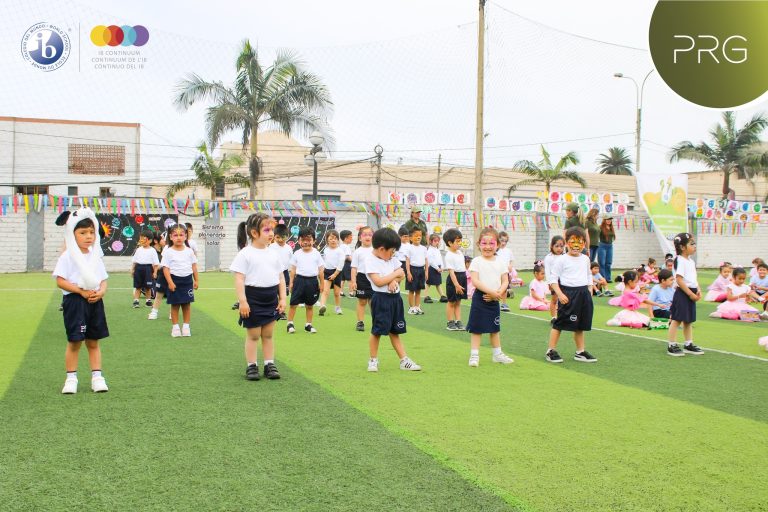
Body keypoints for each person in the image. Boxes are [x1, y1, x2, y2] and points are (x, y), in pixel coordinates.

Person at [53, 208, 110, 394]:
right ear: (72, 234)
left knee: (93, 341)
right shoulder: (68, 256)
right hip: (75, 303)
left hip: (94, 302)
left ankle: (97, 377)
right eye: (83, 233)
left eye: (92, 232)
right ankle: (71, 378)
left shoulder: (95, 256)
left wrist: (101, 292)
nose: (88, 236)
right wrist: (80, 291)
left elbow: (103, 279)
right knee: (75, 342)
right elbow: (60, 280)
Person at [231, 213, 285, 381]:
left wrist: (282, 298)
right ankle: (251, 366)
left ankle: (270, 364)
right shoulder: (245, 254)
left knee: (268, 334)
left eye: (272, 229)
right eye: (267, 229)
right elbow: (239, 279)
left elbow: (281, 277)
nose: (271, 233)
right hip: (252, 298)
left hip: (271, 298)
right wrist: (243, 301)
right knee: (253, 335)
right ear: (254, 233)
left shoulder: (274, 253)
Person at [365, 227, 422, 372]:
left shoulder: (391, 259)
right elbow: (378, 281)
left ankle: (404, 360)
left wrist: (392, 280)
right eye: (391, 252)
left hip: (395, 299)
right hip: (381, 299)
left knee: (395, 331)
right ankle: (373, 360)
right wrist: (394, 275)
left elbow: (401, 273)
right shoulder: (370, 261)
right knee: (377, 331)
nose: (393, 255)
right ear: (382, 249)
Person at [546, 227, 597, 363]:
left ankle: (580, 351)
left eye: (580, 242)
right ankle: (550, 350)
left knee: (580, 324)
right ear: (567, 243)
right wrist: (560, 294)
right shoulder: (561, 260)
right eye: (572, 241)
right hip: (568, 294)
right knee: (559, 323)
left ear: (584, 244)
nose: (576, 245)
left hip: (583, 294)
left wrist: (590, 289)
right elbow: (553, 279)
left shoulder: (585, 259)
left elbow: (588, 275)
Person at [465, 227, 515, 367]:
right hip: (480, 298)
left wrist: (497, 293)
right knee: (476, 329)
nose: (487, 247)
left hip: (495, 298)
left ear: (497, 245)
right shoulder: (476, 261)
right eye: (484, 243)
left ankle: (497, 354)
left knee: (494, 328)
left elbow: (505, 280)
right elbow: (475, 281)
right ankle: (474, 355)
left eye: (491, 243)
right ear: (479, 244)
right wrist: (491, 292)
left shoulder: (500, 262)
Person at [667, 232, 704, 357]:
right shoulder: (680, 260)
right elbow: (679, 279)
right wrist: (689, 294)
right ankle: (671, 344)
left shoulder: (690, 261)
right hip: (683, 293)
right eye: (691, 244)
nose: (695, 246)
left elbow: (693, 278)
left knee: (688, 320)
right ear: (682, 247)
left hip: (690, 292)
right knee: (677, 319)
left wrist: (698, 289)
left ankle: (688, 344)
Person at [162, 223, 199, 337]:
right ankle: (175, 328)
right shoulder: (168, 251)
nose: (178, 237)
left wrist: (196, 280)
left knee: (187, 305)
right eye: (175, 235)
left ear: (186, 236)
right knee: (175, 305)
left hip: (187, 281)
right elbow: (165, 268)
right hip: (174, 280)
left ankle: (186, 326)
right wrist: (170, 282)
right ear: (171, 237)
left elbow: (194, 266)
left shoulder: (189, 251)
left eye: (181, 235)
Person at [286, 227, 324, 334]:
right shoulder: (297, 253)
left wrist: (322, 284)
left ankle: (308, 325)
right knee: (293, 304)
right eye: (303, 240)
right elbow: (293, 270)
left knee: (309, 305)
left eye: (309, 240)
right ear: (299, 241)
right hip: (299, 281)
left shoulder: (316, 253)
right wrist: (291, 283)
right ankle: (290, 323)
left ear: (314, 241)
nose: (306, 242)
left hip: (312, 282)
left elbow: (321, 271)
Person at [351, 226, 375, 331]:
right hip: (361, 278)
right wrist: (353, 281)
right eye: (365, 234)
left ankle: (376, 321)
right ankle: (360, 322)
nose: (367, 237)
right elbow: (354, 268)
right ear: (360, 238)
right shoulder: (357, 252)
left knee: (373, 302)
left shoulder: (376, 250)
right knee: (362, 301)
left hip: (374, 277)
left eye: (370, 234)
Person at [442, 228, 467, 331]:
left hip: (462, 277)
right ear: (450, 243)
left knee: (458, 302)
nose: (459, 243)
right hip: (454, 280)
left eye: (460, 241)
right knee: (451, 302)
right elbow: (451, 272)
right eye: (457, 241)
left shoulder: (460, 253)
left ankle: (458, 321)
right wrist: (456, 284)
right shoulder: (449, 255)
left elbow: (462, 267)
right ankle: (450, 322)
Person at [270, 224, 294, 319]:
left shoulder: (288, 248)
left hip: (284, 273)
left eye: (283, 237)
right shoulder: (271, 247)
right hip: (273, 273)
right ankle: (275, 310)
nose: (280, 239)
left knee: (282, 293)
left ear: (287, 236)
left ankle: (282, 311)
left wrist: (292, 272)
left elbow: (291, 262)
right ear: (274, 237)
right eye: (278, 237)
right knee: (274, 292)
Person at [318, 229, 344, 316]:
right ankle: (322, 306)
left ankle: (337, 307)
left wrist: (335, 274)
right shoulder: (325, 250)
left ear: (338, 240)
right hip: (327, 272)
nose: (333, 240)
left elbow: (341, 264)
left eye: (335, 238)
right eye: (331, 238)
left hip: (337, 272)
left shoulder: (340, 251)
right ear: (327, 240)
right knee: (325, 291)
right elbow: (323, 262)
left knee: (337, 293)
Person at [148, 227, 171, 321]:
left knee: (172, 295)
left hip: (172, 274)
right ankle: (154, 312)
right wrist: (159, 268)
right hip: (162, 274)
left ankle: (171, 313)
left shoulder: (183, 248)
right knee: (159, 294)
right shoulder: (166, 248)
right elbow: (162, 263)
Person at [131, 231, 159, 308]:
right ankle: (136, 301)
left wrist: (155, 272)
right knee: (138, 286)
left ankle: (148, 301)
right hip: (138, 268)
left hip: (148, 269)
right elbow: (134, 261)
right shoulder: (138, 249)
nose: (142, 240)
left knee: (148, 286)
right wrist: (132, 269)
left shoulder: (152, 250)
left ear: (150, 240)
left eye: (144, 238)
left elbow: (156, 263)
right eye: (141, 238)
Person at [405, 227, 428, 315]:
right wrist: (408, 272)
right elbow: (407, 261)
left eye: (420, 235)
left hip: (421, 270)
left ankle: (417, 307)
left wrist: (426, 271)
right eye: (416, 236)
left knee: (418, 290)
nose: (418, 237)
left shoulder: (424, 248)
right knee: (412, 290)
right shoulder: (409, 248)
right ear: (410, 238)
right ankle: (411, 308)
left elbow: (426, 260)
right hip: (412, 270)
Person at [543, 235, 565, 323]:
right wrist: (550, 283)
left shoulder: (565, 256)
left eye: (561, 246)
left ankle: (562, 316)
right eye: (557, 246)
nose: (559, 248)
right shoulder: (549, 257)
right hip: (554, 281)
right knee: (554, 299)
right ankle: (553, 317)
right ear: (552, 246)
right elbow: (547, 271)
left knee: (564, 299)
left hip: (565, 281)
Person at [424, 233, 446, 304]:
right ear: (431, 241)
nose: (437, 242)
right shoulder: (430, 250)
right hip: (432, 268)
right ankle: (425, 296)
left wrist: (441, 267)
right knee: (428, 283)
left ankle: (442, 296)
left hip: (438, 268)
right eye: (435, 241)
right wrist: (437, 268)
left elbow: (440, 259)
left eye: (438, 241)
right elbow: (431, 261)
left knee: (438, 283)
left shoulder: (437, 250)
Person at [495, 231, 514, 312]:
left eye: (505, 241)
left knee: (505, 288)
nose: (503, 243)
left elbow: (512, 260)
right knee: (496, 287)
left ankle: (504, 303)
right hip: (497, 272)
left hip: (505, 272)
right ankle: (496, 302)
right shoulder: (496, 250)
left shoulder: (508, 251)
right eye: (502, 240)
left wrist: (510, 266)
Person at [596, 215, 616, 281]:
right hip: (602, 245)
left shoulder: (611, 228)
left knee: (608, 263)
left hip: (610, 246)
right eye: (607, 219)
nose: (609, 220)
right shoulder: (600, 227)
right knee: (602, 263)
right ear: (604, 220)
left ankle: (608, 278)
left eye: (610, 219)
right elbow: (596, 236)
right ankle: (602, 278)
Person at [339, 229, 353, 297]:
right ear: (345, 238)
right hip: (347, 264)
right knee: (350, 279)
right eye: (350, 237)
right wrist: (354, 262)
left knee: (342, 279)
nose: (352, 238)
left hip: (342, 264)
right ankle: (351, 293)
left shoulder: (341, 246)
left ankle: (340, 292)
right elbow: (348, 257)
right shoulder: (346, 246)